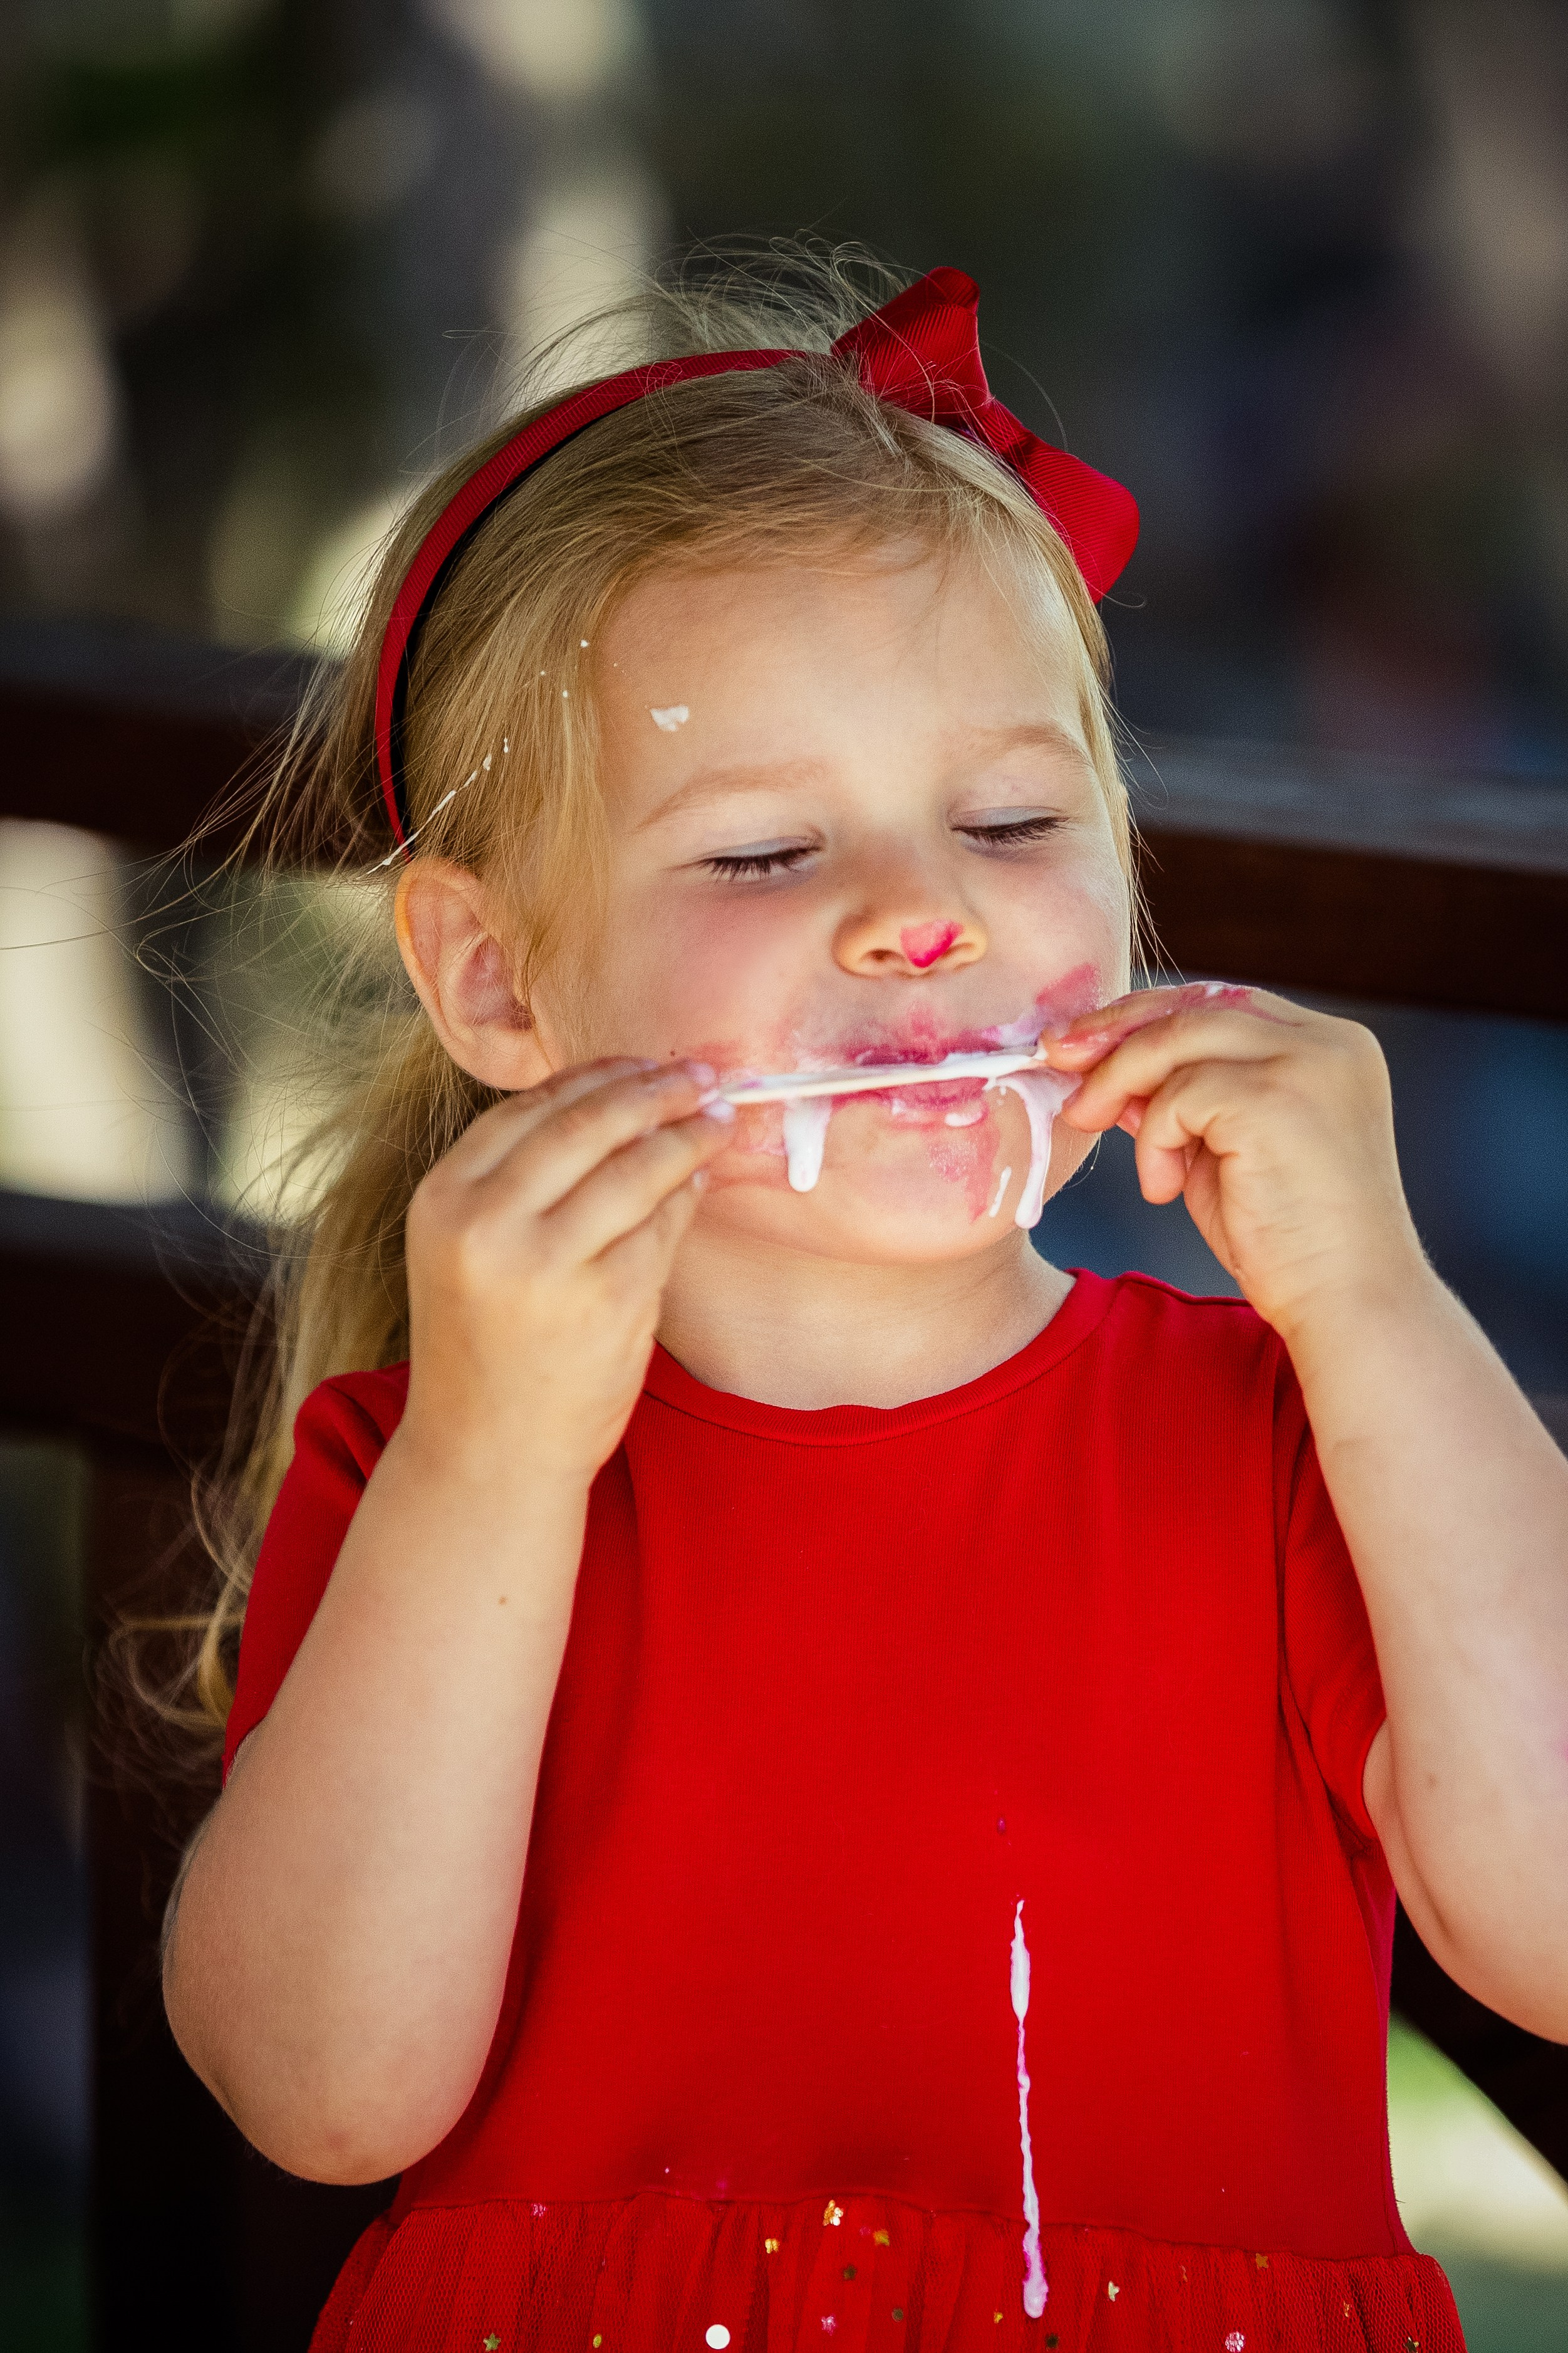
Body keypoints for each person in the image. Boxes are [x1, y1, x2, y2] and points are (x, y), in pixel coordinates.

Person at [160, 251, 1568, 2353]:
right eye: (759, 853)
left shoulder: (1284, 1435)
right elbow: (322, 2091)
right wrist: (491, 1458)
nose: (922, 916)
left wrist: (1381, 1305)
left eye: (1010, 819)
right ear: (497, 981)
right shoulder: (434, 1462)